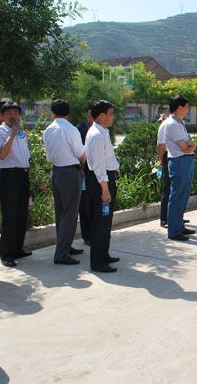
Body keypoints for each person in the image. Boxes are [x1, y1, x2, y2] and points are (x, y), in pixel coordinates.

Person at [43, 99, 87, 265]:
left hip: (56, 171)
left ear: (53, 112)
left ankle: (65, 246)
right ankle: (61, 254)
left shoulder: (48, 130)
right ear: (68, 113)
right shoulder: (71, 130)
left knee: (61, 212)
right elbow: (80, 154)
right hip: (70, 173)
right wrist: (84, 165)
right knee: (70, 213)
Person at [0, 101, 32, 267]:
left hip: (22, 174)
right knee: (9, 215)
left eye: (15, 112)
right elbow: (1, 155)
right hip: (8, 176)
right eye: (9, 113)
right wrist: (12, 135)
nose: (13, 116)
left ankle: (17, 248)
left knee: (21, 214)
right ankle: (6, 253)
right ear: (2, 115)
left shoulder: (20, 131)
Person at [85, 100, 120, 273]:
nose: (113, 117)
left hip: (106, 178)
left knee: (106, 221)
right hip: (101, 181)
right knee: (100, 222)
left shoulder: (102, 132)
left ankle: (104, 255)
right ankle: (97, 262)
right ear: (101, 116)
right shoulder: (97, 135)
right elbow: (98, 165)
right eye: (110, 114)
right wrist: (105, 189)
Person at [161, 95, 197, 240]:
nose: (188, 110)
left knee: (183, 196)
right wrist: (192, 145)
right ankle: (174, 231)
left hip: (185, 161)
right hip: (180, 161)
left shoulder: (179, 123)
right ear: (180, 107)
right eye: (187, 107)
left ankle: (179, 226)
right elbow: (185, 147)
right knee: (177, 197)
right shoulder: (173, 124)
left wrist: (191, 145)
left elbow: (187, 145)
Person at [76, 103, 95, 246]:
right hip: (84, 171)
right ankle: (87, 235)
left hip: (97, 172)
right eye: (90, 114)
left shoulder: (102, 129)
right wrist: (80, 167)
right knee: (84, 205)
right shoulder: (79, 130)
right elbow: (75, 151)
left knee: (95, 204)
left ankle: (95, 232)